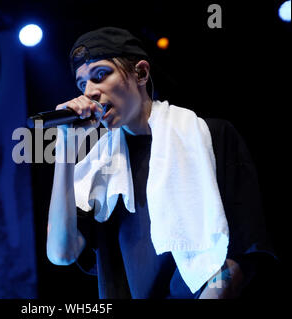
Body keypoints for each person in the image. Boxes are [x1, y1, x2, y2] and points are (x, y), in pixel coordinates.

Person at [46, 26, 277, 299]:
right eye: (82, 84)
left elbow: (245, 247)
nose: (90, 92)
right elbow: (61, 253)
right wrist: (64, 148)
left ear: (141, 73)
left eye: (100, 75)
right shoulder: (98, 168)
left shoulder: (210, 135)